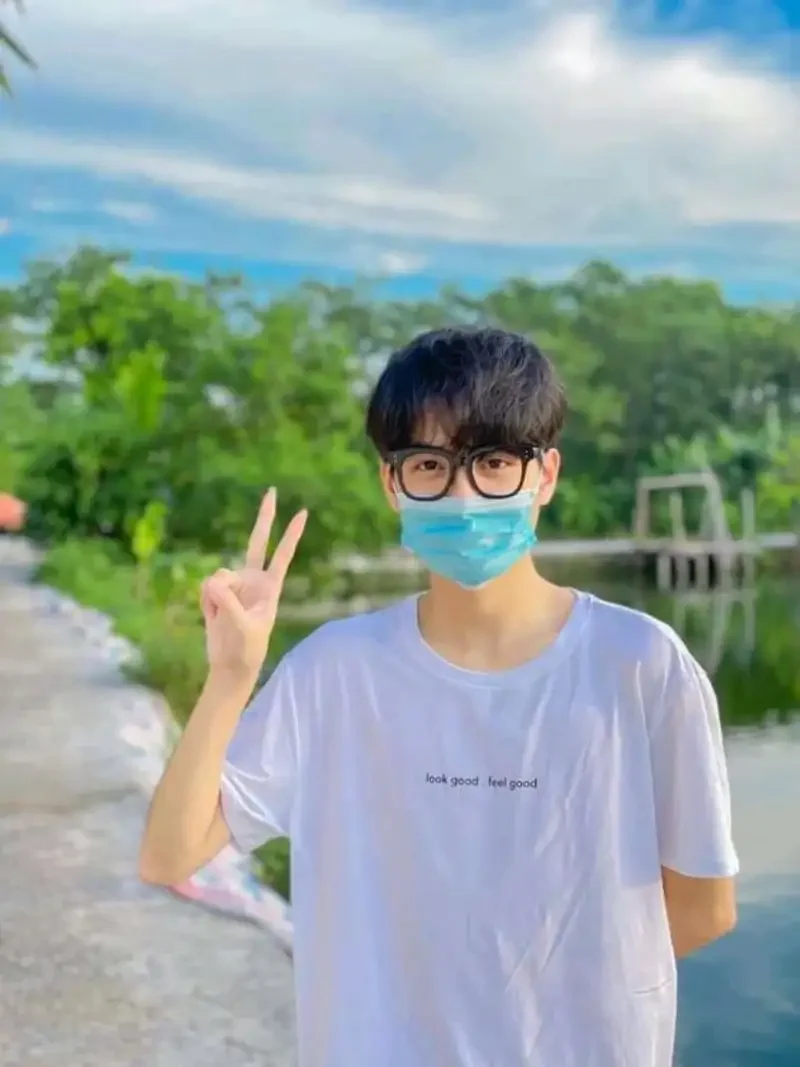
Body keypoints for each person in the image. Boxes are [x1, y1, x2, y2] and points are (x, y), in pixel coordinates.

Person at [139, 327, 739, 1067]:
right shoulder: (335, 673)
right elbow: (170, 854)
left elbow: (705, 906)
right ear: (392, 483)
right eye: (429, 465)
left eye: (493, 462)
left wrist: (542, 991)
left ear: (545, 474)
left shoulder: (640, 664)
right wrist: (231, 677)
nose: (462, 495)